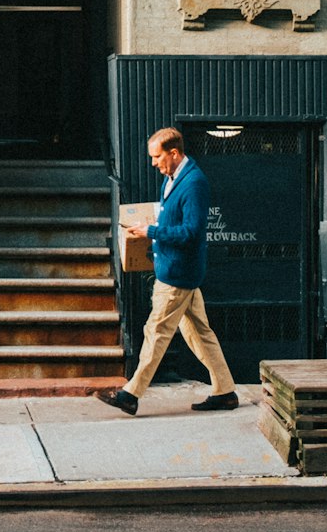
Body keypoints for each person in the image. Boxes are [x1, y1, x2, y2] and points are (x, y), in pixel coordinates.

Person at [97, 126, 238, 417]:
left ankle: (131, 394)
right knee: (200, 333)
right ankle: (225, 391)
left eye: (157, 156)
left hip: (177, 275)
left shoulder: (194, 183)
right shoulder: (173, 177)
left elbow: (192, 232)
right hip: (178, 271)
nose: (153, 163)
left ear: (174, 153)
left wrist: (151, 231)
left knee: (156, 331)